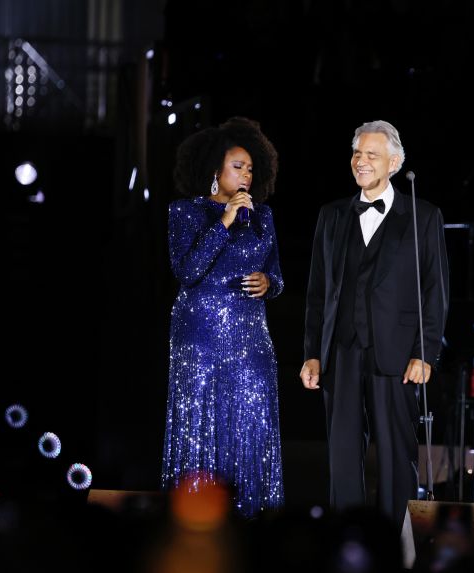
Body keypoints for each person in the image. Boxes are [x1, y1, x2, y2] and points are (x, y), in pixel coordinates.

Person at [300, 120, 449, 534]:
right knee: (343, 452)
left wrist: (425, 352)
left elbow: (435, 292)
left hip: (397, 352)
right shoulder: (331, 216)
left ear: (394, 163)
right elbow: (317, 292)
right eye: (357, 154)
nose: (361, 162)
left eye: (372, 155)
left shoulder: (423, 215)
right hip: (341, 349)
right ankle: (346, 539)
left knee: (395, 452)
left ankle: (396, 541)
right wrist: (312, 352)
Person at [161, 116, 284, 518]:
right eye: (237, 166)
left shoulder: (263, 217)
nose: (246, 174)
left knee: (250, 425)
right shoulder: (185, 212)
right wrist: (227, 220)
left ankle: (252, 520)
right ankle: (196, 519)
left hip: (250, 338)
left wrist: (270, 282)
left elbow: (277, 275)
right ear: (215, 171)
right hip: (199, 335)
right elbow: (188, 270)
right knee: (201, 429)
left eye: (250, 168)